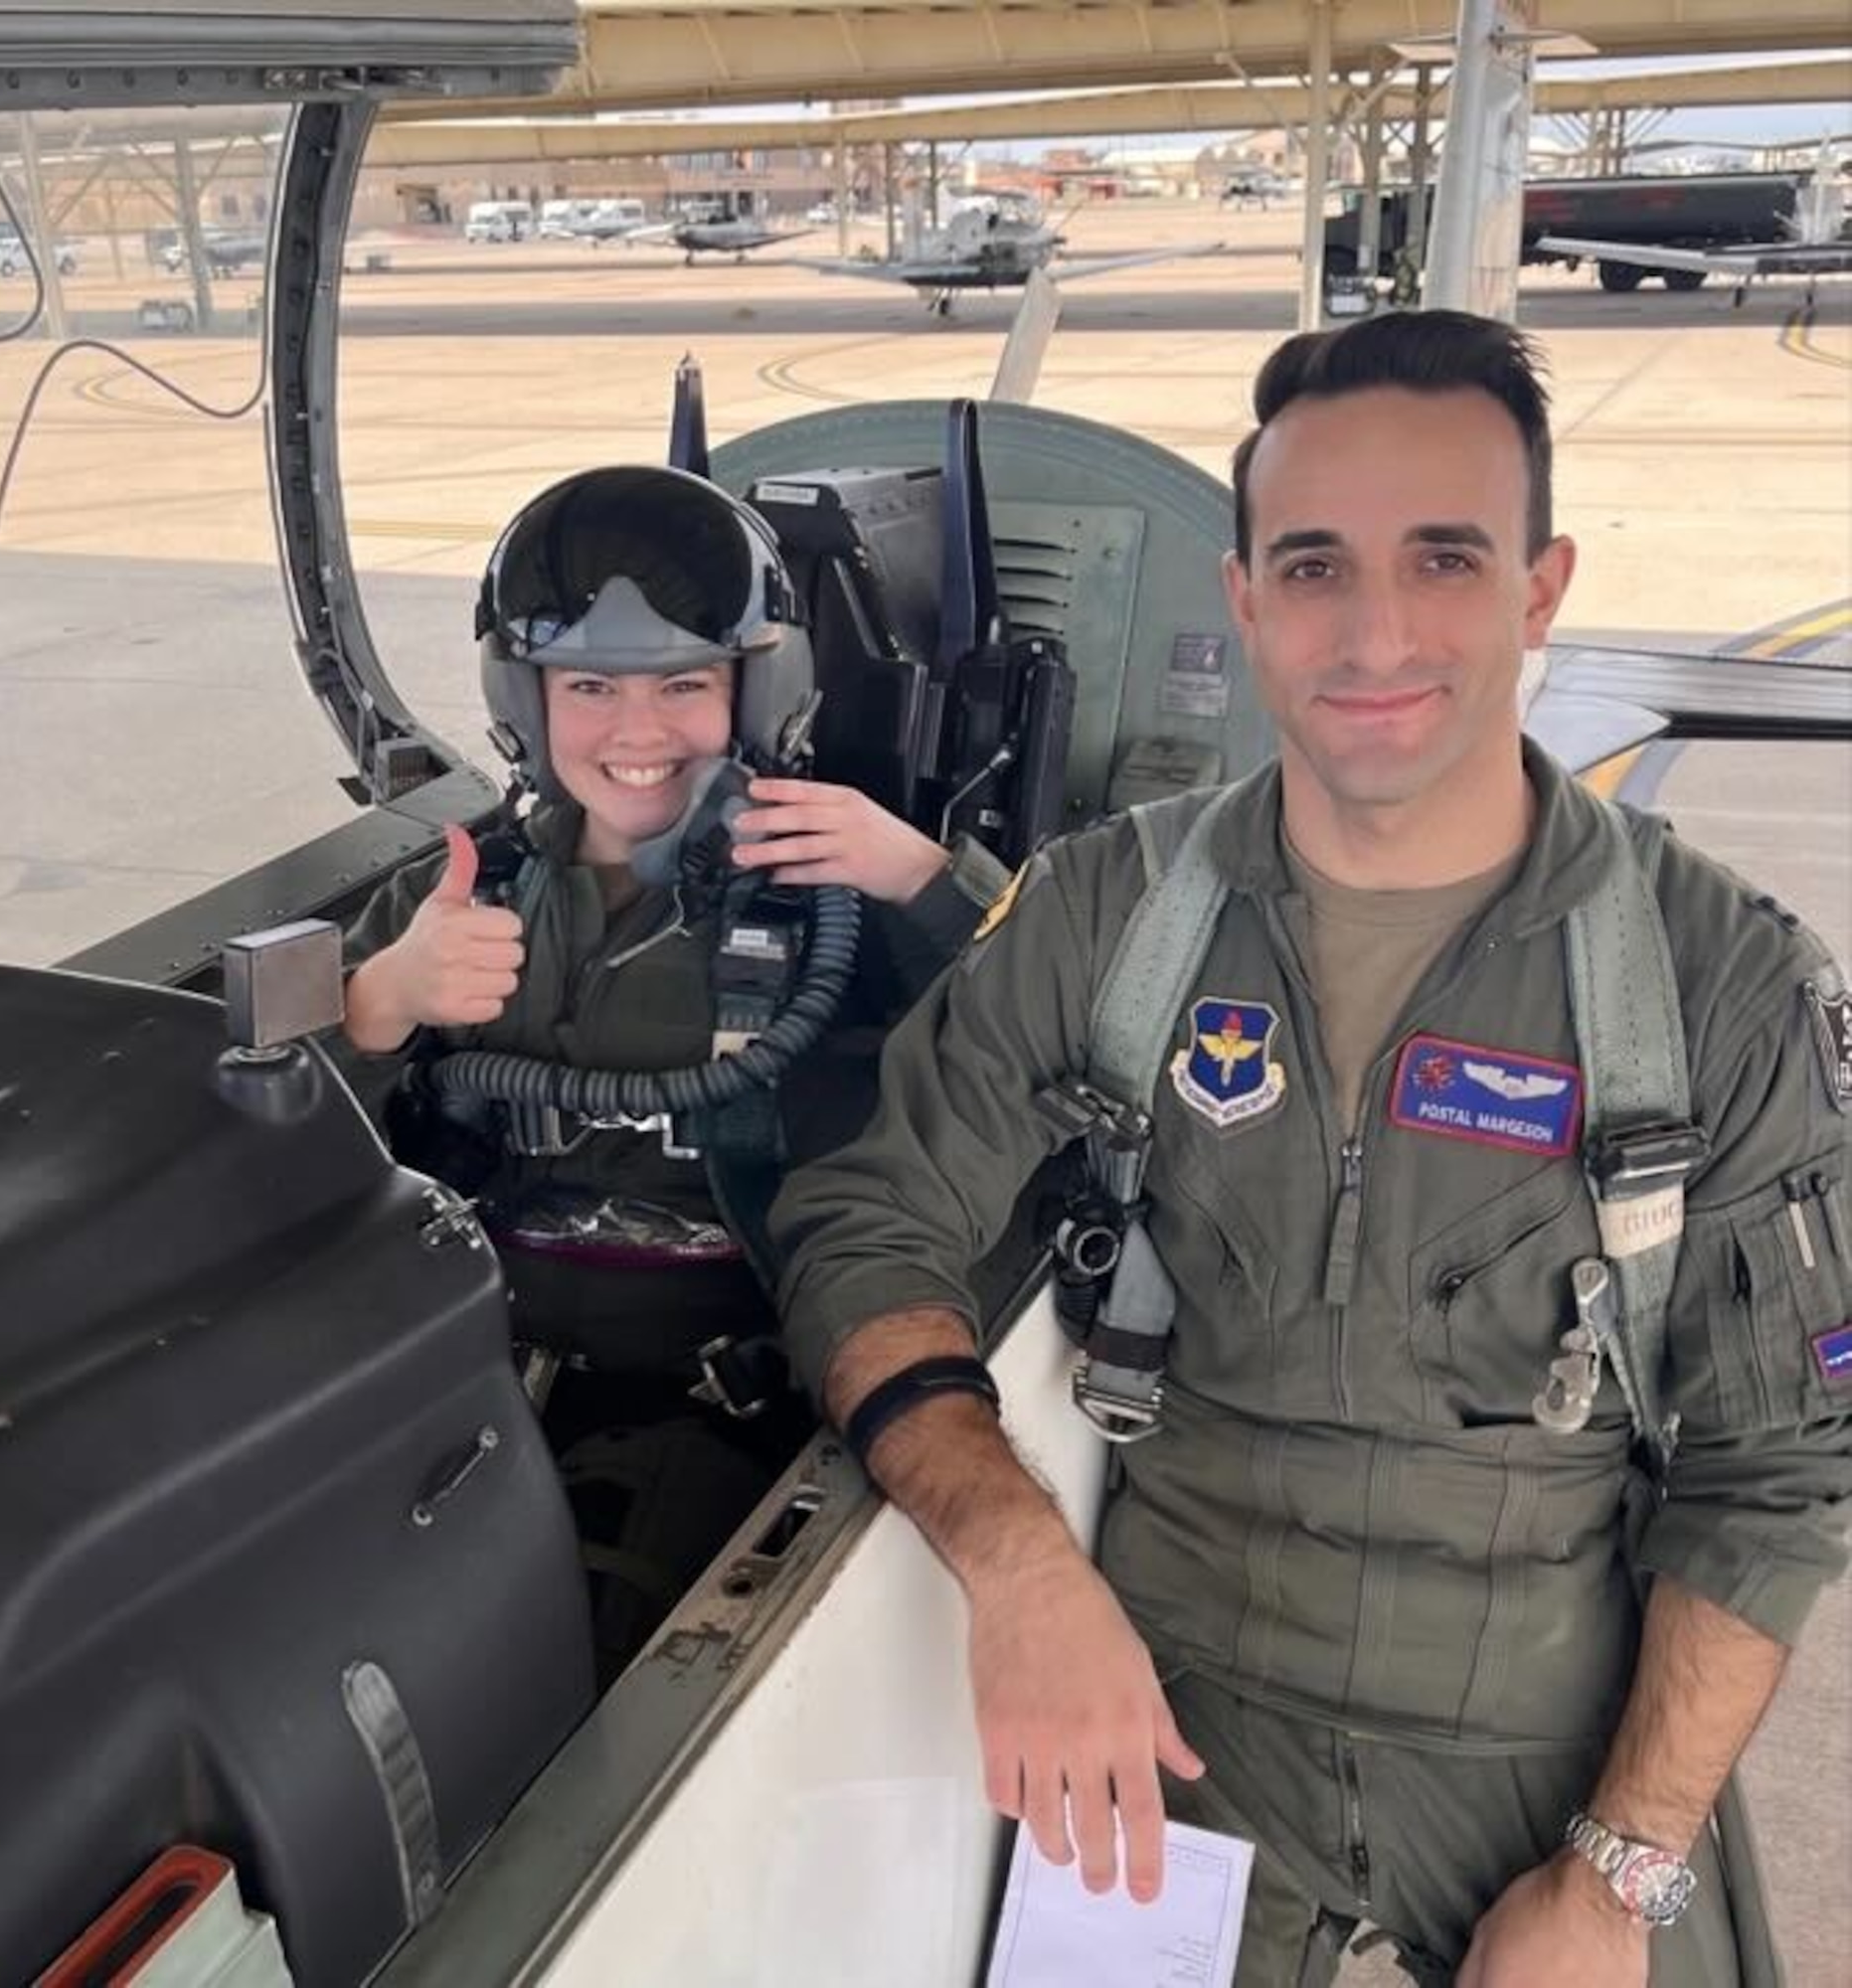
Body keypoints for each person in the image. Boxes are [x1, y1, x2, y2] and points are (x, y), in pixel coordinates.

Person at [771, 311, 1851, 1985]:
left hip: (1551, 1748)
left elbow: (1776, 1471)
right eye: (1316, 565)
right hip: (1175, 1712)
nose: (1376, 633)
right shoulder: (1106, 915)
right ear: (1247, 597)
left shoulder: (1717, 978)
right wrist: (1013, 1557)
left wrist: (1622, 1870)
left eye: (1444, 560)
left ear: (1541, 590)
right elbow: (865, 1225)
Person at [340, 463, 1009, 1664]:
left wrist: (924, 880)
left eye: (683, 685)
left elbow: (1043, 1036)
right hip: (461, 1367)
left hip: (719, 1391)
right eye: (588, 685)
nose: (637, 730)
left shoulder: (834, 900)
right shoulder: (447, 893)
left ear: (753, 695)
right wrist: (378, 1004)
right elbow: (276, 1135)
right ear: (523, 697)